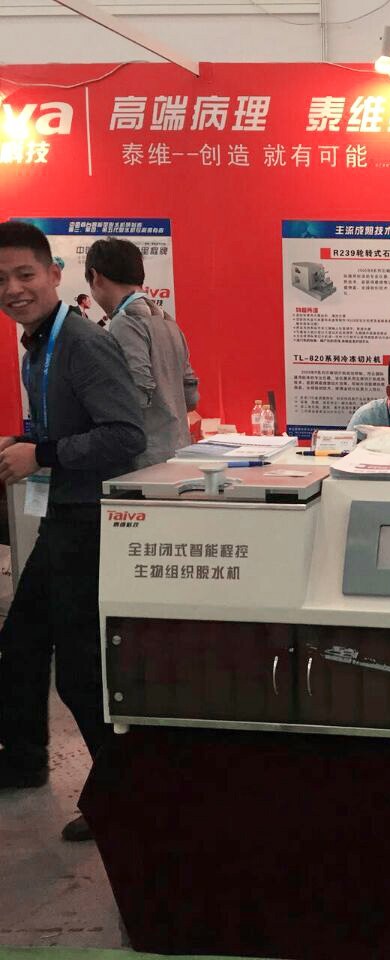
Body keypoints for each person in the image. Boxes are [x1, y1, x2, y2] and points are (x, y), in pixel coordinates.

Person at [0, 220, 145, 840]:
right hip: (62, 515)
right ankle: (24, 762)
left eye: (24, 274)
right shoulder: (37, 345)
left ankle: (122, 799)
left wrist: (42, 454)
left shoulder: (81, 342)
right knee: (21, 644)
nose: (13, 289)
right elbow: (67, 429)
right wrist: (24, 442)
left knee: (82, 674)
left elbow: (125, 436)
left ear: (54, 274)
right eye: (1, 279)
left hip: (90, 524)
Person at [85, 237, 199, 468]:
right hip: (179, 451)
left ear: (95, 276)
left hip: (145, 459)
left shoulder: (126, 322)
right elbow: (191, 397)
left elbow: (135, 395)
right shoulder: (168, 321)